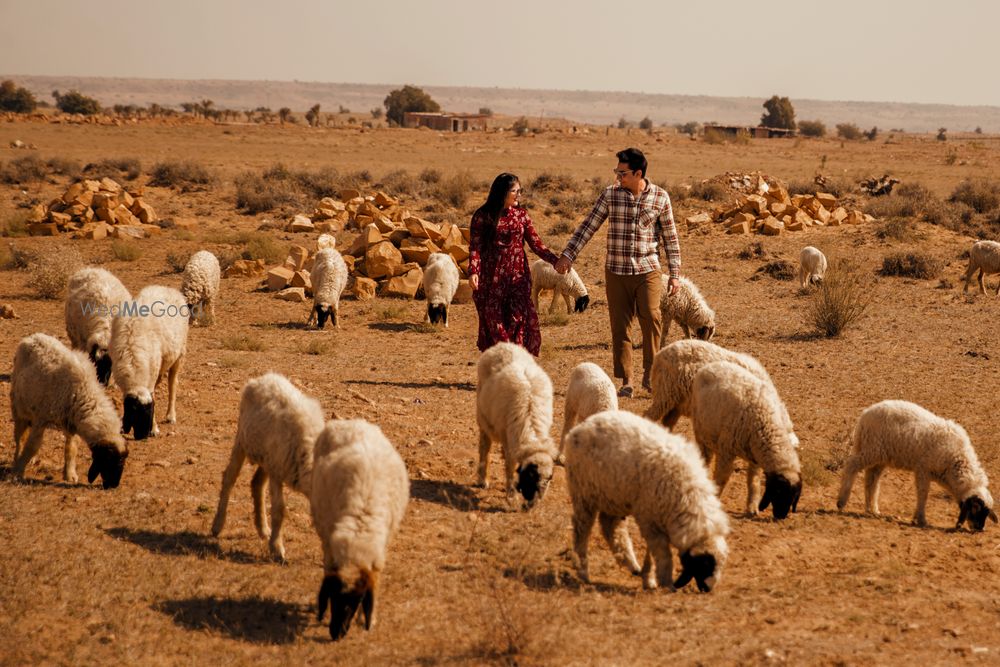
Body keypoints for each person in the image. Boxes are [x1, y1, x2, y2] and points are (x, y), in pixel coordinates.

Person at [555, 148, 680, 398]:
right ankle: (627, 380)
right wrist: (568, 255)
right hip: (616, 270)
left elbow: (670, 236)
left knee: (651, 318)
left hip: (648, 270)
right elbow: (588, 226)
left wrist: (674, 272)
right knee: (620, 326)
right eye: (617, 171)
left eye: (622, 173)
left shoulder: (660, 197)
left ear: (638, 173)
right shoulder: (611, 195)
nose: (618, 176)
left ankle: (650, 374)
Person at [468, 173, 559, 356]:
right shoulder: (483, 216)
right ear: (502, 193)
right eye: (514, 191)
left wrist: (556, 261)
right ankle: (502, 364)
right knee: (494, 322)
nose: (519, 195)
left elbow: (536, 243)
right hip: (491, 278)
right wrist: (474, 271)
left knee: (519, 320)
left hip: (518, 277)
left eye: (520, 191)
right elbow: (475, 246)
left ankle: (516, 365)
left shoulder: (521, 215)